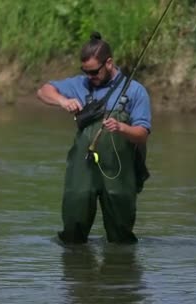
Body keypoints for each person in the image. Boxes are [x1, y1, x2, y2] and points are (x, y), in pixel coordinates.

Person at [37, 32, 151, 244]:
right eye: (85, 71)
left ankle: (120, 274)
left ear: (109, 63)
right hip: (83, 170)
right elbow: (43, 91)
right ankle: (76, 272)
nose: (89, 76)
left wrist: (121, 127)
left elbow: (142, 135)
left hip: (118, 173)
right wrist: (63, 101)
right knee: (72, 230)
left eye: (94, 72)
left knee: (121, 237)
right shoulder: (80, 84)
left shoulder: (136, 91)